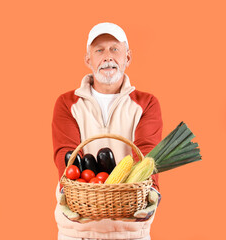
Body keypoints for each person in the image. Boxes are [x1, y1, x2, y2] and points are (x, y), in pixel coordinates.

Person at [52, 22, 163, 240]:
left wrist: (151, 192)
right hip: (78, 228)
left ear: (128, 58)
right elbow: (66, 153)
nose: (107, 57)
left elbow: (146, 152)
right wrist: (77, 192)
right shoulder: (67, 103)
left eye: (114, 49)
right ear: (88, 60)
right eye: (99, 50)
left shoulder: (146, 103)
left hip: (130, 228)